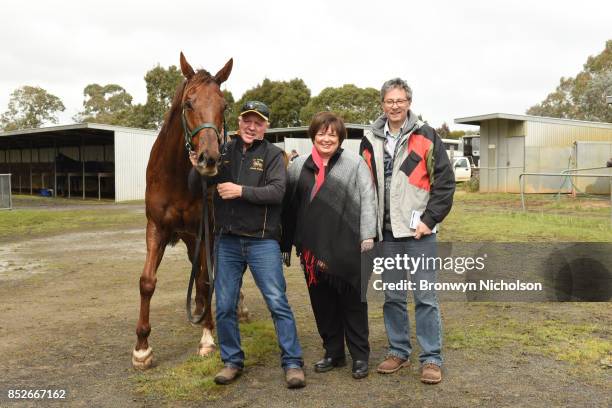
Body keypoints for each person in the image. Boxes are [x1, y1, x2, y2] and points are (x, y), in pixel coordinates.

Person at [188, 101, 305, 388]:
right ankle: (232, 362)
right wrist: (196, 169)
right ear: (239, 122)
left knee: (277, 303)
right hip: (226, 241)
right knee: (225, 306)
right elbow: (195, 188)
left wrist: (241, 191)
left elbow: (277, 192)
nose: (252, 127)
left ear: (265, 126)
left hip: (262, 242)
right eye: (247, 121)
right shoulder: (222, 152)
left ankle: (292, 363)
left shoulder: (274, 155)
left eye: (259, 122)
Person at [360, 78, 455, 384]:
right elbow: (365, 187)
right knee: (392, 296)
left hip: (419, 234)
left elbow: (445, 183)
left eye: (401, 100)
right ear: (382, 104)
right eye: (390, 101)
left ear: (409, 103)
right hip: (386, 236)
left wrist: (429, 219)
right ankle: (398, 350)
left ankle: (431, 358)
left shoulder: (426, 135)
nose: (395, 106)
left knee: (425, 296)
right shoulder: (369, 139)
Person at [281, 112, 377, 379]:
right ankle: (333, 353)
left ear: (340, 138)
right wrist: (285, 241)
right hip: (312, 252)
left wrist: (368, 234)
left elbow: (368, 199)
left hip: (348, 247)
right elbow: (289, 206)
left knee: (353, 303)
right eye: (321, 133)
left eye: (332, 134)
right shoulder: (298, 167)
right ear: (313, 135)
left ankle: (360, 356)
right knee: (322, 304)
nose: (326, 138)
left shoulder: (354, 163)